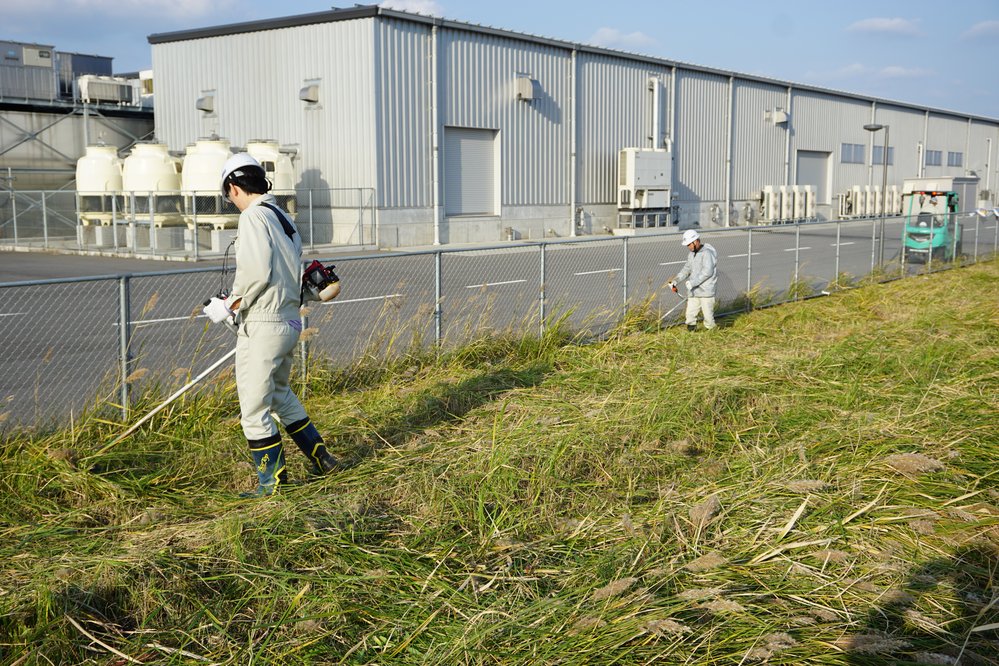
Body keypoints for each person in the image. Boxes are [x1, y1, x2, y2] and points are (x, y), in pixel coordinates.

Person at [203, 153, 340, 497]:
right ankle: (322, 458)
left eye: (229, 195)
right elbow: (284, 271)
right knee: (279, 394)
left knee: (254, 410)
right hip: (289, 319)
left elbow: (257, 271)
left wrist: (229, 304)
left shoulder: (252, 216)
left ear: (234, 187)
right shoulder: (282, 216)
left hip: (263, 325)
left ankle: (272, 485)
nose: (232, 201)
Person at [668, 229, 718, 331]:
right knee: (690, 314)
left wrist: (693, 283)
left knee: (708, 317)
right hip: (694, 291)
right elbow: (686, 269)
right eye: (687, 245)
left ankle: (712, 334)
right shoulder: (691, 254)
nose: (689, 247)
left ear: (696, 241)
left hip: (706, 292)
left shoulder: (707, 253)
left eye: (690, 244)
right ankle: (691, 332)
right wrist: (675, 281)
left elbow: (707, 272)